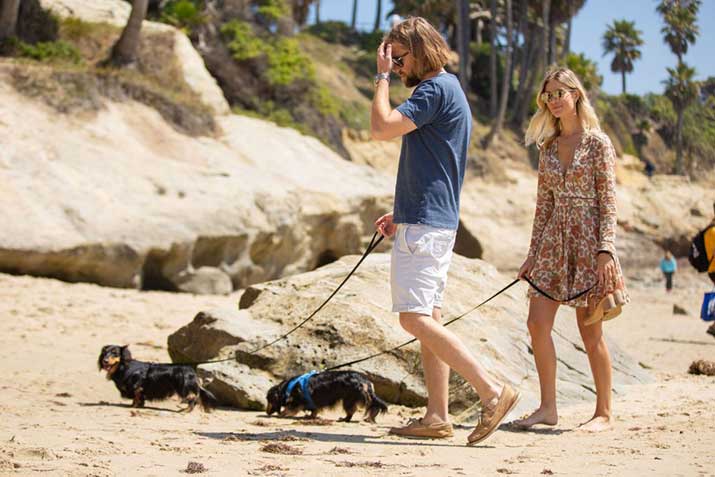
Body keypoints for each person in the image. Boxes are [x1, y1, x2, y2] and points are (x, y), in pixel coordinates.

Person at [370, 17, 520, 445]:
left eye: (398, 58)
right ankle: (437, 415)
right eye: (391, 61)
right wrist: (402, 212)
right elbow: (436, 164)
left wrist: (379, 78)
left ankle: (491, 392)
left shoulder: (433, 90)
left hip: (427, 223)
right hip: (430, 219)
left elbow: (380, 128)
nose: (396, 67)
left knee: (413, 318)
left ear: (419, 50)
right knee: (429, 317)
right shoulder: (448, 90)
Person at [514, 67, 629, 433]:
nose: (555, 100)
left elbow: (608, 201)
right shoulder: (547, 148)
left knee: (590, 331)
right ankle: (548, 408)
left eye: (560, 92)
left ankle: (603, 413)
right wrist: (533, 255)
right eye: (549, 95)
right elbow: (543, 206)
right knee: (536, 323)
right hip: (552, 242)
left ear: (576, 94)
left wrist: (605, 250)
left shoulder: (599, 144)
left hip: (589, 243)